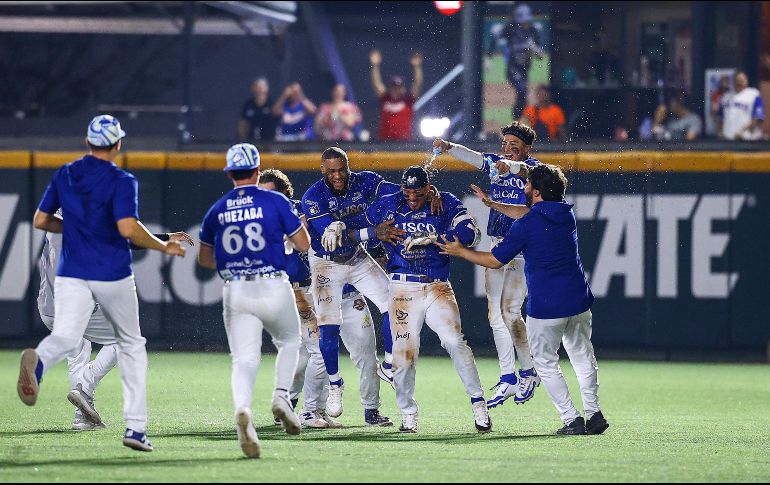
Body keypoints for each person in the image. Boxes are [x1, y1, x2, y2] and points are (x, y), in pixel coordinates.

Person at [19, 114, 186, 452]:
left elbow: (40, 220)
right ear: (118, 144)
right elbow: (128, 230)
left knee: (71, 340)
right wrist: (163, 243)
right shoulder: (120, 181)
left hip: (57, 291)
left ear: (88, 143)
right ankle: (128, 424)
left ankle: (74, 402)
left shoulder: (65, 175)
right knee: (130, 342)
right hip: (97, 281)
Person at [436, 163, 610, 436]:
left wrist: (461, 252)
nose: (524, 188)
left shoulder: (526, 225)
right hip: (578, 301)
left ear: (537, 192)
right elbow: (530, 213)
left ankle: (571, 419)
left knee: (545, 363)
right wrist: (493, 204)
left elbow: (494, 260)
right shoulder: (565, 214)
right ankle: (594, 413)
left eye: (528, 185)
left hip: (547, 307)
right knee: (583, 357)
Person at [300, 147, 442, 419]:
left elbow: (402, 192)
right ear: (322, 171)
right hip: (325, 262)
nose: (338, 175)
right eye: (332, 171)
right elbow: (332, 238)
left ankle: (388, 364)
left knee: (395, 302)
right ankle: (334, 384)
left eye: (342, 169)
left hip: (356, 258)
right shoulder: (313, 197)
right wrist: (369, 232)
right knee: (328, 326)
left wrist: (431, 191)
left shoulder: (366, 180)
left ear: (348, 165)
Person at [197, 143, 309, 459]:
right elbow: (303, 242)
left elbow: (205, 259)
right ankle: (281, 397)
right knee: (289, 342)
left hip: (236, 289)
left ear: (230, 174)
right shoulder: (274, 200)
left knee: (244, 360)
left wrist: (236, 258)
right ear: (258, 172)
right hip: (272, 283)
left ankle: (243, 410)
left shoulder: (217, 208)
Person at [258, 169, 392, 429]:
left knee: (365, 351)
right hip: (303, 293)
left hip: (348, 291)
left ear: (286, 194)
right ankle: (301, 407)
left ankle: (370, 410)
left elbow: (347, 232)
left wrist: (378, 251)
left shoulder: (309, 209)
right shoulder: (262, 225)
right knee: (309, 355)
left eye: (270, 194)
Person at [363, 166, 490, 434]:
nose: (412, 198)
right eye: (407, 192)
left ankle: (479, 404)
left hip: (436, 286)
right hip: (402, 288)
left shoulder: (445, 202)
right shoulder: (388, 204)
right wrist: (377, 239)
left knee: (455, 341)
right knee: (404, 355)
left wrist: (434, 238)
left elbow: (471, 233)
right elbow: (362, 229)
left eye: (418, 193)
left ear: (428, 187)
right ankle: (408, 413)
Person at [38, 217, 193, 431]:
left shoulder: (54, 222)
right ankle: (86, 385)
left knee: (77, 357)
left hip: (49, 309)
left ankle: (81, 418)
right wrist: (165, 239)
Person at [433, 121, 540, 410]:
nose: (507, 149)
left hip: (522, 246)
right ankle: (508, 376)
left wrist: (510, 166)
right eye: (504, 144)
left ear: (527, 149)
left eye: (514, 146)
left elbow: (525, 171)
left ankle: (529, 370)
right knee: (495, 315)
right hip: (497, 242)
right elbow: (475, 157)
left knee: (510, 311)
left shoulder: (535, 168)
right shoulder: (495, 162)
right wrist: (448, 147)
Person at [486, 3, 545, 119]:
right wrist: (488, 58)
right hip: (513, 68)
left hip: (525, 68)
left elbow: (541, 56)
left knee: (523, 94)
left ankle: (521, 118)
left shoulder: (534, 31)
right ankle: (517, 118)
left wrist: (534, 48)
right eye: (523, 21)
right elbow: (494, 37)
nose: (526, 24)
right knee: (522, 90)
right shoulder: (510, 28)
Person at [370, 49, 423, 141]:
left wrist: (417, 67)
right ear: (391, 88)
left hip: (404, 142)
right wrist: (375, 65)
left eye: (399, 87)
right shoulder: (385, 99)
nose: (396, 90)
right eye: (394, 87)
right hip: (385, 141)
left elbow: (417, 84)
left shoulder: (408, 101)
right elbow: (376, 83)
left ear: (403, 88)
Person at [720, 71, 766, 140]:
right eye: (737, 81)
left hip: (747, 140)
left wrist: (743, 132)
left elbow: (758, 118)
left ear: (746, 81)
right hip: (728, 140)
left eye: (741, 81)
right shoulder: (726, 96)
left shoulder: (754, 94)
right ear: (733, 82)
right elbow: (721, 119)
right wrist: (721, 132)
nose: (739, 83)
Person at [238, 77, 279, 142]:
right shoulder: (248, 105)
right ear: (253, 89)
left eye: (262, 87)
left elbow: (278, 115)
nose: (260, 90)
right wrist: (242, 138)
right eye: (258, 87)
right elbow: (242, 123)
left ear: (266, 89)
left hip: (269, 143)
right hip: (252, 141)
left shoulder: (271, 104)